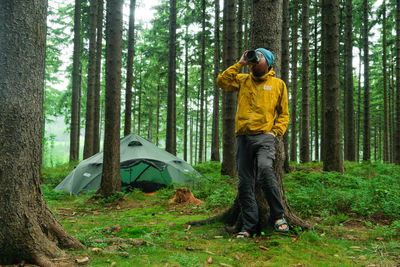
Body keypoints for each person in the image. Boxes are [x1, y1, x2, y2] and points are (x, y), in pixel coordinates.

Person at [216, 48, 290, 238]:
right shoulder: (243, 80)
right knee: (244, 183)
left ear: (269, 62)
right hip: (243, 137)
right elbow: (221, 82)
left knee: (266, 171)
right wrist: (240, 63)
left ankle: (278, 216)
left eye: (260, 57)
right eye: (253, 56)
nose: (255, 60)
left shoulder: (278, 84)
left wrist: (275, 132)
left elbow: (284, 114)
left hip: (264, 137)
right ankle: (249, 226)